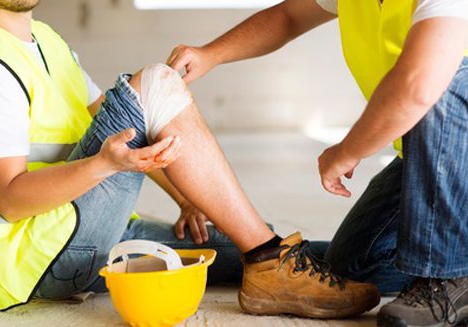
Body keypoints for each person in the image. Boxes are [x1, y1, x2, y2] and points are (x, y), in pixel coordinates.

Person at [0, 0, 380, 319]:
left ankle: (405, 276)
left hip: (82, 236)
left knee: (261, 247)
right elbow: (10, 200)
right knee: (153, 82)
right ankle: (268, 257)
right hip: (38, 260)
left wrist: (186, 199)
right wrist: (103, 165)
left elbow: (118, 121)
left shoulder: (47, 41)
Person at [166, 0, 468, 326]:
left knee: (441, 74)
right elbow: (288, 16)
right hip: (428, 158)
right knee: (350, 268)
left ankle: (446, 276)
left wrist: (348, 150)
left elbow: (419, 86)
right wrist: (210, 54)